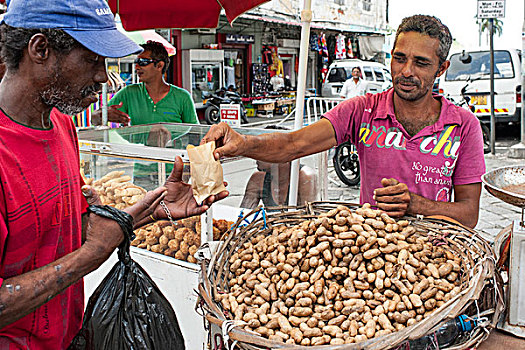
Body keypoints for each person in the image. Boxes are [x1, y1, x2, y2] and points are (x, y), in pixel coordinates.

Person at [0, 0, 227, 348]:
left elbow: (67, 235)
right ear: (40, 49)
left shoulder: (61, 125)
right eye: (93, 60)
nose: (102, 77)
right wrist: (93, 254)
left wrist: (147, 213)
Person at [202, 15, 485, 229]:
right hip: (373, 253)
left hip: (438, 260)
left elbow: (469, 214)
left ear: (442, 68)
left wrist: (416, 205)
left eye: (421, 63)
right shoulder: (363, 111)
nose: (406, 71)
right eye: (399, 59)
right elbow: (294, 144)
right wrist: (243, 143)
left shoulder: (464, 126)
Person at [92, 40, 198, 126]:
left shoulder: (182, 97)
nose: (137, 67)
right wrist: (100, 115)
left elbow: (195, 132)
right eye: (136, 62)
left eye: (143, 62)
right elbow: (94, 118)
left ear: (160, 65)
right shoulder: (129, 93)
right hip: (138, 152)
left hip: (172, 152)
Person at [240, 126, 317, 209]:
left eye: (262, 150)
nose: (256, 156)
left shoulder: (304, 176)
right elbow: (243, 213)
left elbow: (309, 216)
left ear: (281, 154)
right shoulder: (258, 179)